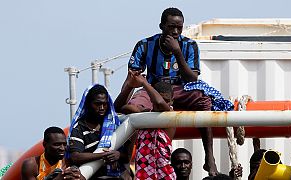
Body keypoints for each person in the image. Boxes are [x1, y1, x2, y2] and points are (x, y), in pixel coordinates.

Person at [121, 7, 218, 176]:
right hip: (153, 90)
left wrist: (177, 52)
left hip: (182, 89)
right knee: (132, 108)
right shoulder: (144, 45)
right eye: (171, 27)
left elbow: (192, 79)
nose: (175, 31)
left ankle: (209, 157)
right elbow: (133, 76)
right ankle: (126, 162)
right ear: (161, 26)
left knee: (204, 100)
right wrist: (125, 96)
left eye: (179, 28)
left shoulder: (189, 46)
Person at [114, 70, 176, 179]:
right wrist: (129, 86)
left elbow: (160, 103)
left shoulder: (171, 117)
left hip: (164, 175)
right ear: (150, 99)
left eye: (167, 100)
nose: (163, 103)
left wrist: (144, 83)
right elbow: (118, 108)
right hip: (143, 175)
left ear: (172, 101)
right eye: (158, 98)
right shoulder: (143, 115)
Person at [67, 84, 130, 179]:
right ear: (88, 104)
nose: (102, 108)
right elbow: (75, 157)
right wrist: (105, 155)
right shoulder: (79, 128)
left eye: (105, 104)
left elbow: (126, 157)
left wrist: (118, 155)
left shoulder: (114, 125)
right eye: (97, 104)